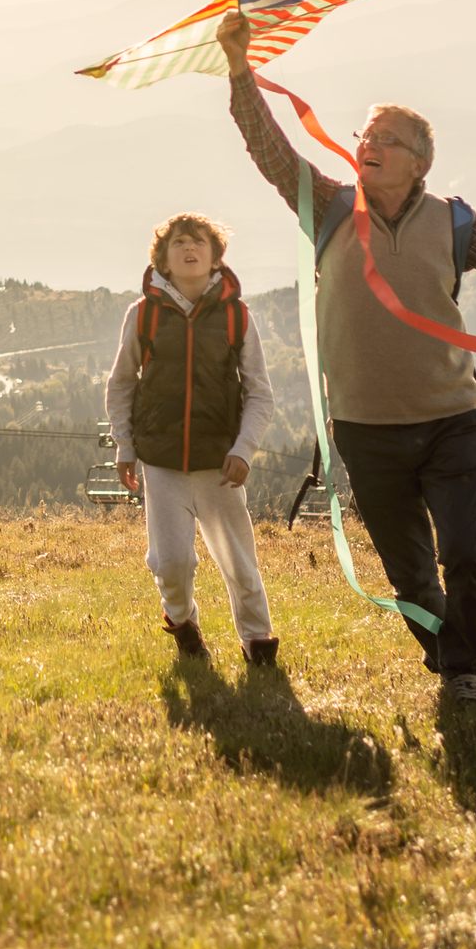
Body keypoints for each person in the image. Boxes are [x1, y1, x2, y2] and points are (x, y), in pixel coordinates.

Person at [215, 8, 476, 703]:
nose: (371, 143)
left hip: (450, 418)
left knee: (466, 554)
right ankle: (452, 654)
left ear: (421, 162)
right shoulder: (328, 206)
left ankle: (462, 674)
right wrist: (241, 71)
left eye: (390, 139)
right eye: (367, 133)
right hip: (365, 430)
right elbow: (269, 149)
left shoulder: (452, 221)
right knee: (410, 574)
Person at [106, 212, 281, 667]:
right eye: (179, 242)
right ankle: (182, 623)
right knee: (172, 564)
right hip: (161, 463)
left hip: (220, 465)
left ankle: (258, 642)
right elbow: (121, 383)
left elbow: (260, 393)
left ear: (215, 256)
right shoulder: (142, 315)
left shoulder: (236, 316)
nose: (189, 248)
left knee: (240, 563)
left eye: (199, 241)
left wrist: (244, 449)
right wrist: (125, 446)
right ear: (162, 260)